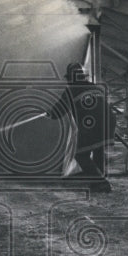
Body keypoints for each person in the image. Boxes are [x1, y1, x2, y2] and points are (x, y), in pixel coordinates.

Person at [46, 62, 115, 192]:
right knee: (98, 149)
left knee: (80, 154)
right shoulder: (95, 87)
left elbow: (58, 113)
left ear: (70, 78)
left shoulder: (71, 91)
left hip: (93, 124)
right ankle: (98, 178)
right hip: (109, 120)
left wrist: (48, 113)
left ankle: (101, 182)